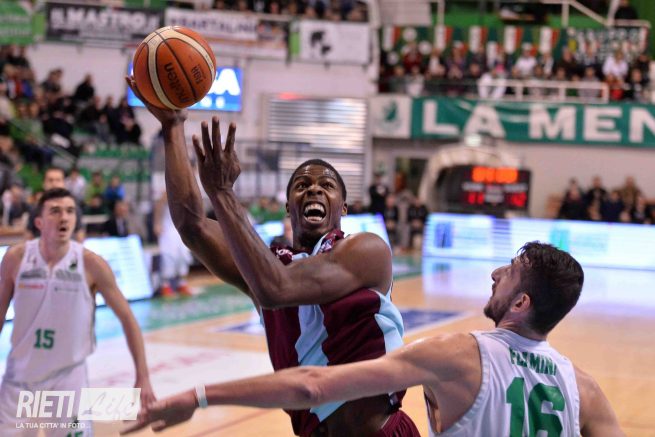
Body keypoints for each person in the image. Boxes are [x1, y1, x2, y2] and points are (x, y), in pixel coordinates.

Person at [125, 77, 417, 436]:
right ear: (288, 207)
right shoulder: (268, 264)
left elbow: (276, 289)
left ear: (343, 207)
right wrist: (172, 128)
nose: (313, 188)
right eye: (302, 185)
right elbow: (192, 225)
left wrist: (222, 193)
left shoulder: (366, 251)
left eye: (326, 185)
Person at [125, 242, 624, 437]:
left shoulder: (459, 354)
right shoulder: (583, 388)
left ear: (521, 304)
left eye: (509, 272)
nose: (496, 273)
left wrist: (199, 396)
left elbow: (313, 386)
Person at [0, 188, 155, 435]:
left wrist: (143, 376)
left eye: (70, 211)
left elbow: (128, 318)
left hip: (67, 379)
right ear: (38, 222)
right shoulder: (16, 258)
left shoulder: (92, 264)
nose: (64, 217)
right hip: (20, 378)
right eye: (55, 211)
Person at [25, 166, 85, 241]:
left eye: (58, 180)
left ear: (64, 183)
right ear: (44, 183)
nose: (54, 184)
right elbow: (29, 234)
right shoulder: (36, 208)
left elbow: (80, 233)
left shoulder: (73, 207)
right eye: (50, 180)